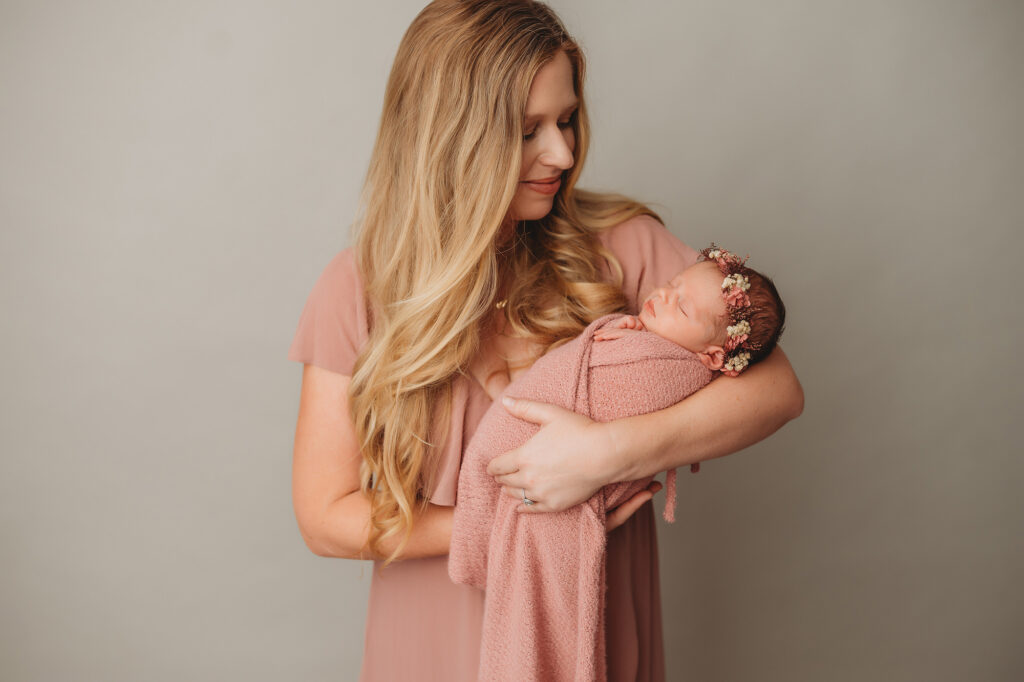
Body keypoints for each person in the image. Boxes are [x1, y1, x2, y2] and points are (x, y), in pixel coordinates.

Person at [287, 2, 804, 680]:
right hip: (434, 638)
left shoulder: (623, 246)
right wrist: (517, 512)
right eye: (528, 130)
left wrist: (607, 455)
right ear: (450, 136)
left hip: (593, 625)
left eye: (565, 120)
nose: (562, 153)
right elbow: (326, 517)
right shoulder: (357, 287)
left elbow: (776, 389)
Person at [448, 244, 786, 680]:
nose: (663, 295)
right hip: (507, 474)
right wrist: (622, 329)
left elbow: (624, 392)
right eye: (670, 285)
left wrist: (606, 450)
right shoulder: (654, 333)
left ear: (714, 358)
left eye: (680, 306)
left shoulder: (675, 370)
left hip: (531, 472)